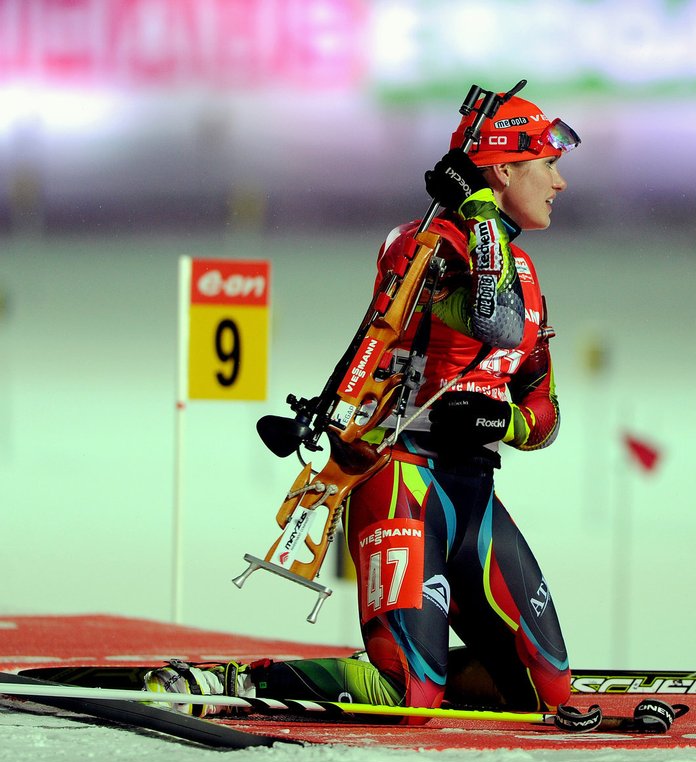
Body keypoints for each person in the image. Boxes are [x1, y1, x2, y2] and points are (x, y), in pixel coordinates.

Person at [144, 91, 582, 721]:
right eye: (546, 163)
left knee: (551, 695)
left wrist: (506, 421)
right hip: (405, 479)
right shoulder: (423, 248)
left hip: (473, 491)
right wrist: (480, 212)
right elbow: (497, 320)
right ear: (504, 168)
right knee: (409, 697)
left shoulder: (525, 272)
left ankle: (424, 665)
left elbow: (544, 408)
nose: (560, 182)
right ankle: (233, 683)